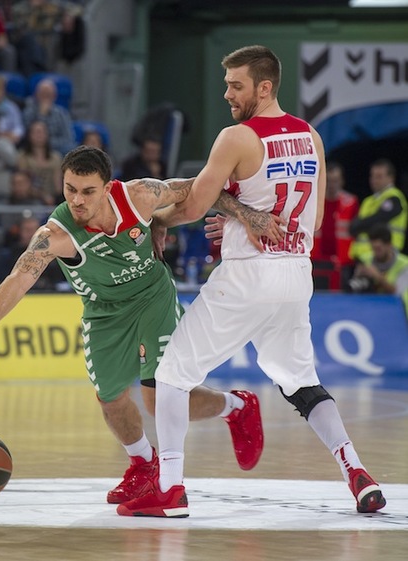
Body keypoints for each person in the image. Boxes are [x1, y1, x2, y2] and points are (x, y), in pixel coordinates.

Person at [117, 45, 387, 518]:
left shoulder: (236, 138)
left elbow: (195, 205)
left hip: (247, 276)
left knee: (171, 374)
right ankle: (356, 471)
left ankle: (171, 489)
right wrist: (245, 221)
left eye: (236, 85)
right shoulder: (311, 136)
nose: (227, 94)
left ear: (264, 87)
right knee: (301, 383)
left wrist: (159, 221)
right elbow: (316, 218)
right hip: (296, 276)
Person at [0, 145, 284, 506]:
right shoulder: (57, 233)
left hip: (152, 298)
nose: (77, 199)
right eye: (70, 189)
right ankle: (143, 463)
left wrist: (246, 215)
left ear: (108, 187)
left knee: (157, 399)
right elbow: (19, 275)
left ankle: (236, 407)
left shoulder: (139, 195)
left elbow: (201, 187)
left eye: (88, 191)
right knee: (110, 399)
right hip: (103, 312)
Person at [349, 158, 408, 265]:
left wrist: (361, 225)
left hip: (386, 257)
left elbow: (377, 222)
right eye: (372, 176)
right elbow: (353, 227)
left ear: (391, 178)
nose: (374, 180)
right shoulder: (368, 201)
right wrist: (361, 225)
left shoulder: (394, 198)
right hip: (362, 257)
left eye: (379, 176)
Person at [311, 161, 359, 290]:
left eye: (335, 181)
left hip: (342, 263)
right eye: (329, 180)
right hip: (316, 261)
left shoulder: (351, 203)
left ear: (342, 181)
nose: (331, 185)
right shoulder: (312, 200)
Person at [348, 222, 408, 314]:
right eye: (373, 248)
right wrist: (358, 275)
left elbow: (397, 295)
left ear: (389, 245)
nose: (375, 253)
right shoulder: (365, 259)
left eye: (378, 249)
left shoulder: (404, 264)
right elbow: (355, 288)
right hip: (371, 309)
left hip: (397, 313)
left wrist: (377, 276)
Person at [22, 78, 76, 156]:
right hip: (33, 148)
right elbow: (27, 136)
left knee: (71, 149)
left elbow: (68, 138)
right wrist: (42, 115)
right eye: (43, 94)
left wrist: (48, 143)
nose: (45, 98)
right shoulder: (28, 112)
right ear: (36, 95)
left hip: (57, 149)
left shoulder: (62, 113)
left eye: (48, 95)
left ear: (54, 96)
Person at [17, 120, 63, 206]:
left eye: (41, 131)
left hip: (52, 198)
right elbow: (24, 183)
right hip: (30, 198)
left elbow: (58, 185)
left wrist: (56, 199)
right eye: (35, 132)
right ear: (29, 135)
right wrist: (43, 196)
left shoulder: (56, 157)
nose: (39, 135)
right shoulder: (23, 157)